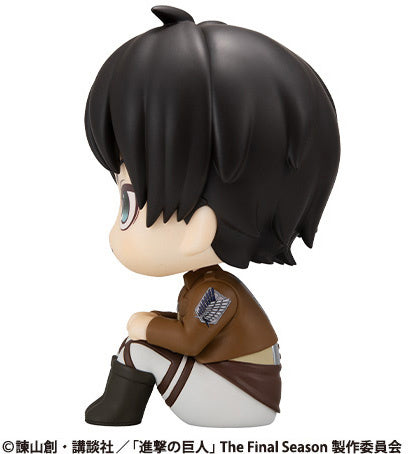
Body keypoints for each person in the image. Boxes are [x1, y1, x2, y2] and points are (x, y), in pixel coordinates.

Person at [84, 5, 340, 427]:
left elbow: (190, 340)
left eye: (130, 204)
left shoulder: (217, 293)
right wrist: (158, 322)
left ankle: (117, 415)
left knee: (137, 349)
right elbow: (197, 331)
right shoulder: (207, 284)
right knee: (142, 340)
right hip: (230, 385)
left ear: (200, 228)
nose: (118, 230)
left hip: (238, 395)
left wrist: (144, 325)